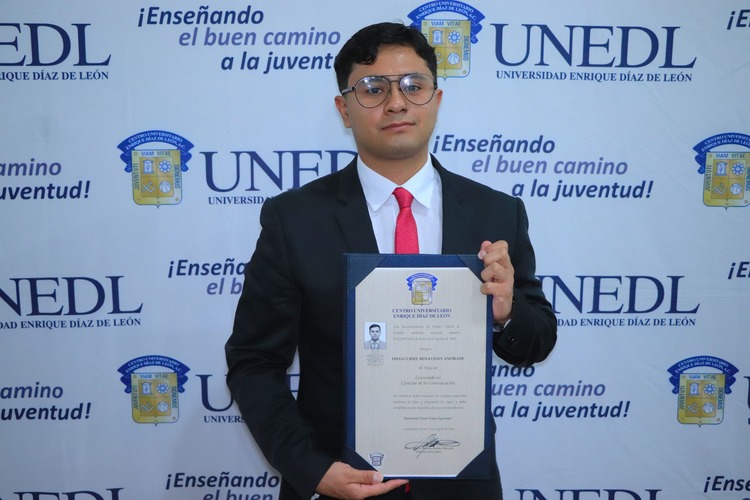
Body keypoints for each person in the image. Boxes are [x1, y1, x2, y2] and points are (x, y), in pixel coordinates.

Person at [225, 22, 557, 500]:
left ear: (436, 100)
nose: (396, 103)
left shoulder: (497, 212)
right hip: (339, 483)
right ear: (344, 109)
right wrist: (312, 469)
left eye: (413, 86)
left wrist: (506, 313)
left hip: (462, 486)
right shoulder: (294, 219)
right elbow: (253, 362)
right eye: (373, 88)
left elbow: (536, 341)